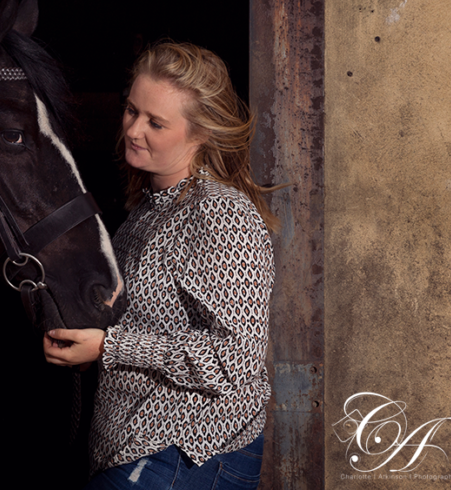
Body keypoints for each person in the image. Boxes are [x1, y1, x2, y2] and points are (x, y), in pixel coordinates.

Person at [43, 41, 280, 489]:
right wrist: (86, 344)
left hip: (184, 451)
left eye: (156, 122)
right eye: (131, 111)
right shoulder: (147, 208)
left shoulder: (220, 213)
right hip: (131, 444)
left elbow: (236, 360)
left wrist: (108, 348)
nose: (133, 130)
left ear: (201, 132)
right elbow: (142, 319)